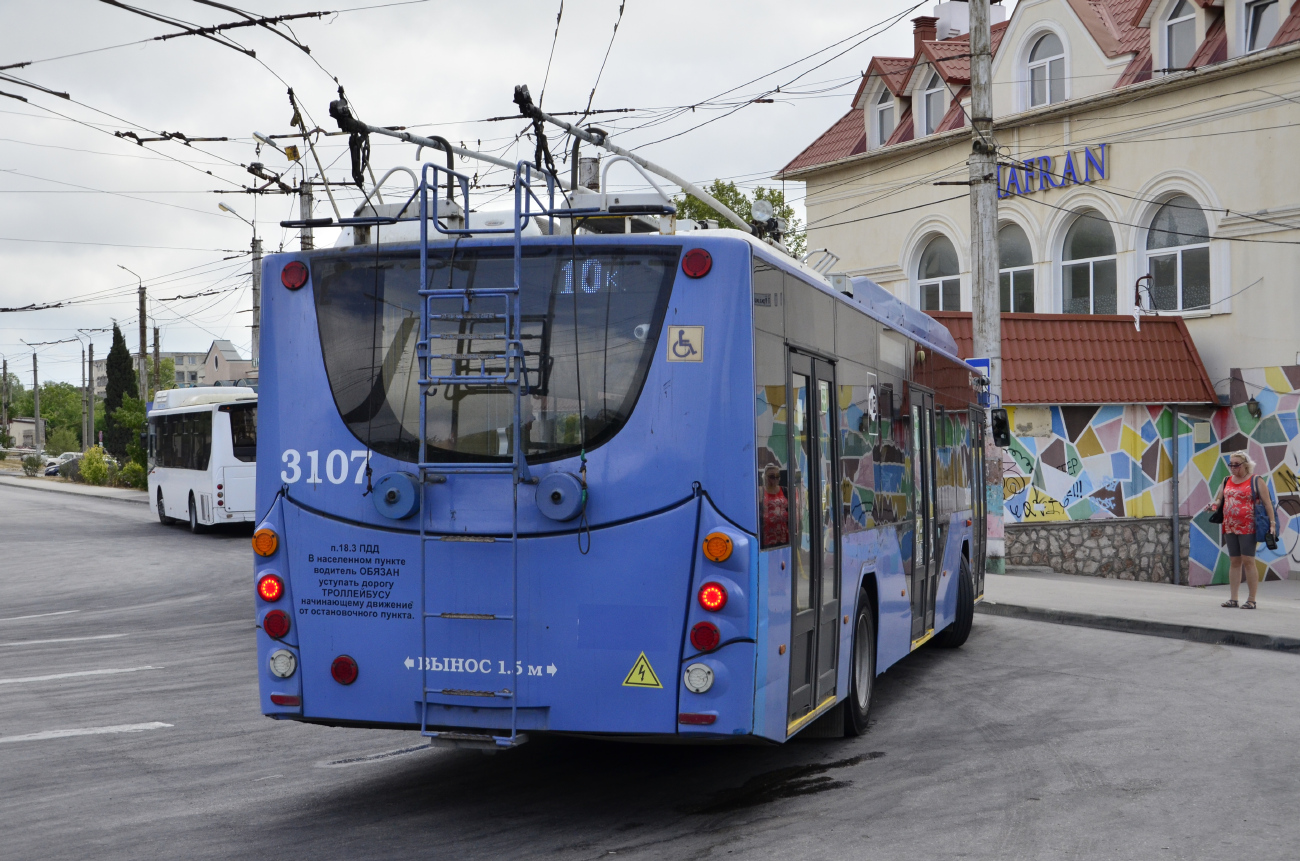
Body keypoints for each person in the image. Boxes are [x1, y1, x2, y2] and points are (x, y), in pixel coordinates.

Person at [1205, 451, 1277, 609]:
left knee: (1249, 561)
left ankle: (1251, 599)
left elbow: (1267, 503)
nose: (1232, 468)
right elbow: (1220, 499)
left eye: (1236, 465)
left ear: (1245, 465)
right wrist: (1213, 506)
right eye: (1230, 464)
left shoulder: (1256, 480)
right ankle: (1233, 598)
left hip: (1248, 527)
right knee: (1234, 561)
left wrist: (1272, 523)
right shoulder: (1227, 480)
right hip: (1230, 526)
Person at [761, 464, 789, 547]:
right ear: (765, 477)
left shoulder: (784, 490)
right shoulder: (760, 491)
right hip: (767, 536)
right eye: (771, 476)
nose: (775, 479)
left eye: (777, 476)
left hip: (783, 535)